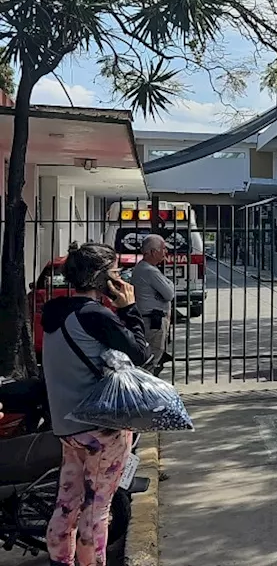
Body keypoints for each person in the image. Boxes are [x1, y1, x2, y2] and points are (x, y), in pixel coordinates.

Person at [40, 243, 150, 566]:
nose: (120, 278)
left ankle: (61, 561)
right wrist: (129, 307)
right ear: (103, 279)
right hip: (101, 430)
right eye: (116, 272)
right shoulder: (95, 316)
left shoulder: (53, 313)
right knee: (97, 509)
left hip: (67, 426)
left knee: (66, 504)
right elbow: (140, 352)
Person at [130, 234, 175, 375]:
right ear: (153, 252)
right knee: (152, 357)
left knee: (152, 356)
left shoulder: (146, 269)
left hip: (149, 318)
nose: (165, 252)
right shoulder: (149, 271)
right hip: (152, 320)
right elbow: (169, 294)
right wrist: (169, 285)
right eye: (163, 248)